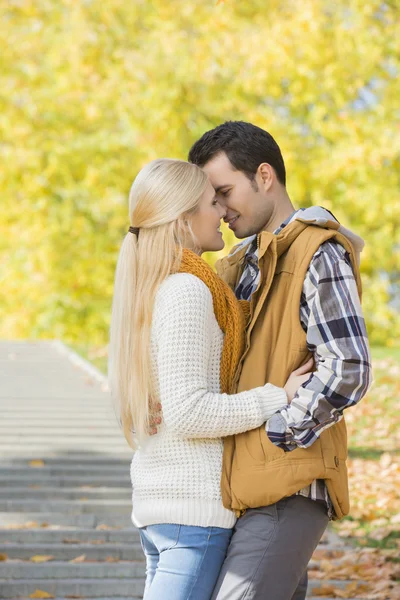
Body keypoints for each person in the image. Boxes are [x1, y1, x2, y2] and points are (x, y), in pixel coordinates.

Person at [108, 158, 312, 600]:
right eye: (211, 202)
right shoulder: (187, 291)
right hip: (192, 511)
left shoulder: (155, 285)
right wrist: (277, 396)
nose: (221, 210)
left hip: (163, 504)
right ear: (183, 218)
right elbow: (189, 412)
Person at [188, 121, 372, 600]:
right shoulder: (240, 265)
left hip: (288, 481)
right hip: (242, 484)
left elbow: (348, 367)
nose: (220, 209)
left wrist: (276, 435)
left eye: (225, 191)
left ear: (264, 176)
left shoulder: (319, 251)